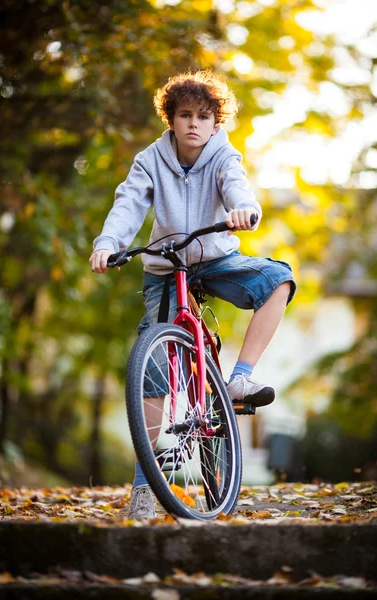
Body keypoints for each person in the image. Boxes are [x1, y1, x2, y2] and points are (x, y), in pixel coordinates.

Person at [90, 70, 296, 519]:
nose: (193, 124)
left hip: (216, 257)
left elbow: (236, 184)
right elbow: (128, 203)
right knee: (154, 374)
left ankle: (239, 376)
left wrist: (245, 209)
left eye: (204, 117)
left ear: (216, 124)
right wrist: (107, 243)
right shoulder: (150, 160)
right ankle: (145, 485)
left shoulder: (223, 154)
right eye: (184, 115)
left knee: (278, 279)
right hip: (166, 266)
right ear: (171, 119)